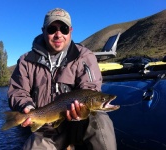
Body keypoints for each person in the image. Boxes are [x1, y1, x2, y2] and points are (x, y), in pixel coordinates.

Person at [8, 8, 117, 150]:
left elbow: (90, 89)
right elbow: (17, 91)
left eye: (64, 29)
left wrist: (81, 112)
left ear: (70, 30)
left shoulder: (84, 56)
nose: (58, 34)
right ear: (43, 30)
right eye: (52, 29)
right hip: (46, 129)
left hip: (79, 125)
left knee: (100, 120)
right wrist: (26, 106)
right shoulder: (26, 61)